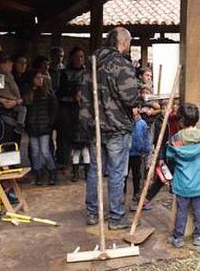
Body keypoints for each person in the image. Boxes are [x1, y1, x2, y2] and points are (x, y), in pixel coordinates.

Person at [84, 27, 141, 230]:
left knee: (95, 170)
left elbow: (83, 96)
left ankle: (92, 213)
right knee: (117, 173)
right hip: (117, 126)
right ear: (124, 43)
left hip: (95, 126)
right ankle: (116, 216)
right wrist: (141, 98)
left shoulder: (91, 62)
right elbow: (130, 97)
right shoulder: (121, 64)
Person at [166, 103, 200, 248]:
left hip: (182, 183)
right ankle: (199, 236)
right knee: (199, 209)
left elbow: (170, 155)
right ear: (197, 119)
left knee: (181, 211)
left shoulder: (176, 139)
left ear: (180, 121)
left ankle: (178, 238)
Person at [25, 71, 58, 186]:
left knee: (45, 151)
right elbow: (27, 110)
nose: (40, 80)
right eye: (37, 78)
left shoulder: (48, 93)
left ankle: (52, 172)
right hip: (33, 126)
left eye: (41, 78)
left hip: (44, 126)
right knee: (35, 152)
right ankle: (38, 174)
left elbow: (54, 109)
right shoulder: (29, 94)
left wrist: (50, 122)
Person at [58, 47, 87, 171]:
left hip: (82, 110)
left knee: (81, 138)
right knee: (65, 136)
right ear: (71, 58)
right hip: (67, 108)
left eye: (81, 56)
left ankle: (83, 164)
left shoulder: (87, 72)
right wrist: (73, 94)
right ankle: (65, 162)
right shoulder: (65, 73)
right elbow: (60, 92)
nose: (79, 59)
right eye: (77, 56)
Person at [127, 108, 152, 210]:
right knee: (124, 175)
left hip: (138, 153)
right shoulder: (127, 121)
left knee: (137, 175)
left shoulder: (142, 123)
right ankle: (121, 194)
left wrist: (146, 150)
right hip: (127, 152)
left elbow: (146, 138)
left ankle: (137, 194)